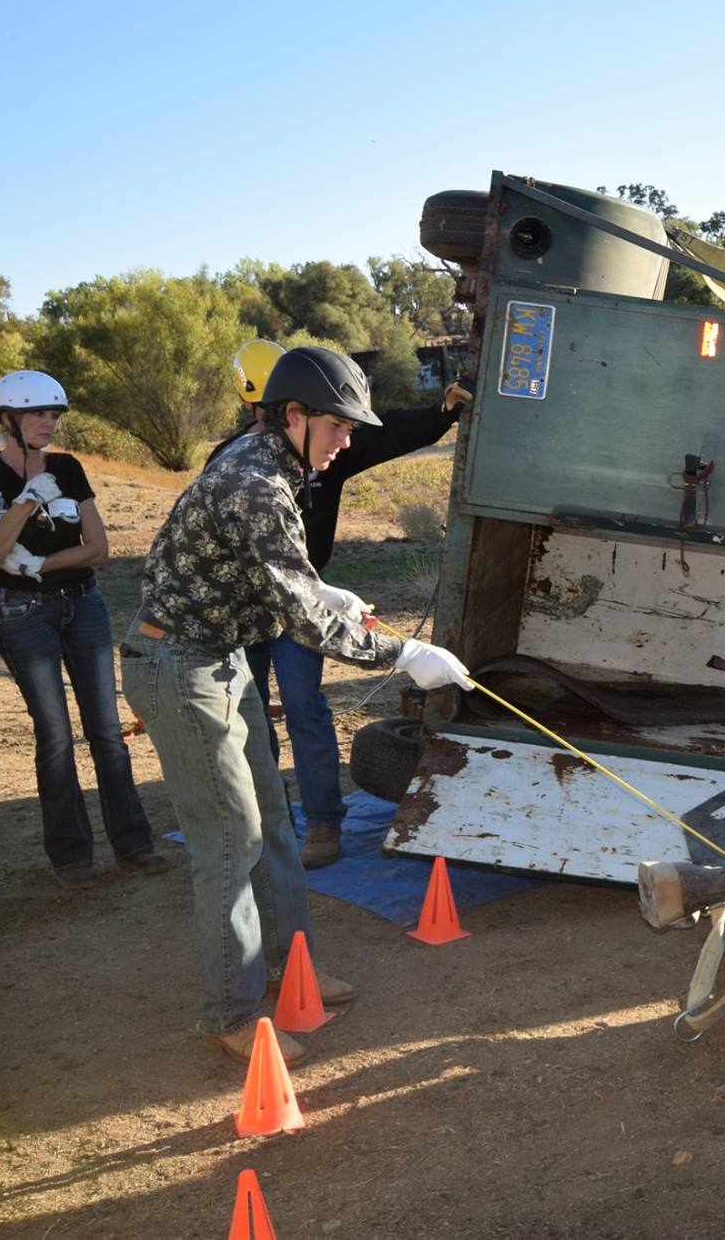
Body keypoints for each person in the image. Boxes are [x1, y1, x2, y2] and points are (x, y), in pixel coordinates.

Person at [119, 346, 473, 1065]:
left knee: (272, 821)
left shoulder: (279, 465)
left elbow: (286, 584)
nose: (348, 441)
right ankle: (233, 1011)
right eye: (339, 426)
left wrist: (325, 591)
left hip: (215, 655)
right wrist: (405, 652)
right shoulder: (255, 478)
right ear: (294, 415)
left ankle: (288, 971)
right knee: (229, 842)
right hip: (180, 663)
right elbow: (306, 622)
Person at [219, 339, 473, 868]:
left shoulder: (322, 443)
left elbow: (384, 433)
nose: (340, 441)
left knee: (305, 708)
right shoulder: (239, 467)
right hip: (248, 610)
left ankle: (323, 825)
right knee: (250, 715)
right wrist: (402, 653)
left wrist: (440, 413)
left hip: (303, 594)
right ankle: (272, 825)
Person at [0, 370, 164, 892]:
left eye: (54, 414)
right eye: (36, 414)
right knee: (53, 736)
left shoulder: (69, 470)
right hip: (23, 615)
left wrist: (34, 564)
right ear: (7, 420)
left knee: (107, 731)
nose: (49, 423)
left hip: (83, 605)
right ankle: (71, 857)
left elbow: (98, 548)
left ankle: (133, 843)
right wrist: (26, 503)